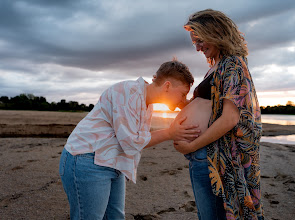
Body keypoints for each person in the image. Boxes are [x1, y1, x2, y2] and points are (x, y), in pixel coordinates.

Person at [59, 59, 200, 220]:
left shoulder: (146, 101)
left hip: (112, 162)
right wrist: (169, 133)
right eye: (183, 94)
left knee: (116, 217)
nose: (184, 99)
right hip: (87, 160)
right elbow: (132, 142)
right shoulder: (129, 92)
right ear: (167, 86)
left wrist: (189, 106)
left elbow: (135, 138)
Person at [173, 9, 264, 220]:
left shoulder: (233, 64)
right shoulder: (216, 66)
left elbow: (230, 118)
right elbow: (212, 109)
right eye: (194, 43)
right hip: (204, 155)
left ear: (215, 32)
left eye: (199, 40)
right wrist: (182, 105)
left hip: (214, 158)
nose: (197, 48)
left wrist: (192, 145)